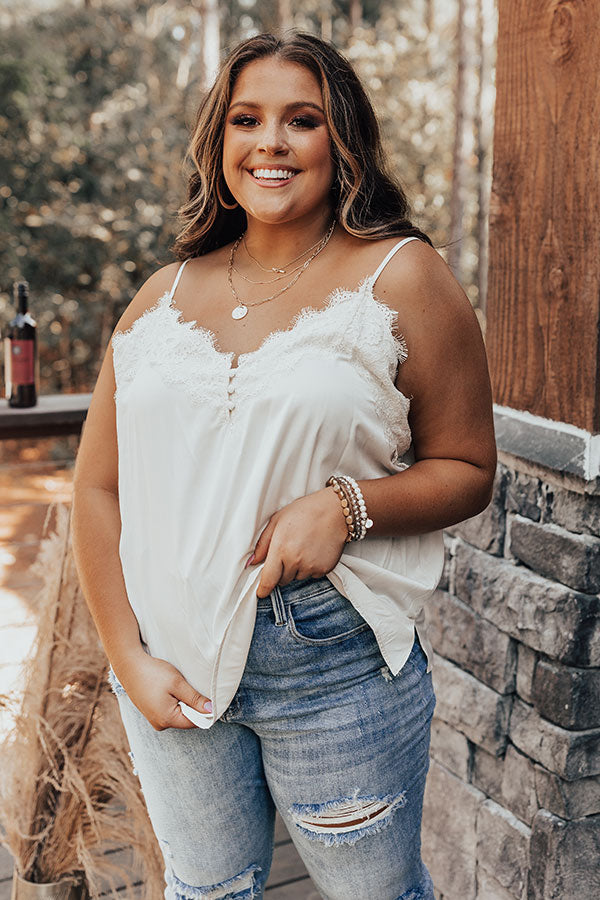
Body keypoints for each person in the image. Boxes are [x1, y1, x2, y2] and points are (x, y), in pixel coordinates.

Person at [71, 30, 496, 900]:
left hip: (328, 663)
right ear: (218, 141)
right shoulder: (161, 295)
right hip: (169, 660)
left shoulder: (402, 277)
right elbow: (98, 486)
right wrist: (128, 655)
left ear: (341, 142)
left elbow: (466, 465)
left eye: (301, 120)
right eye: (246, 119)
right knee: (208, 891)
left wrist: (347, 506)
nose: (270, 142)